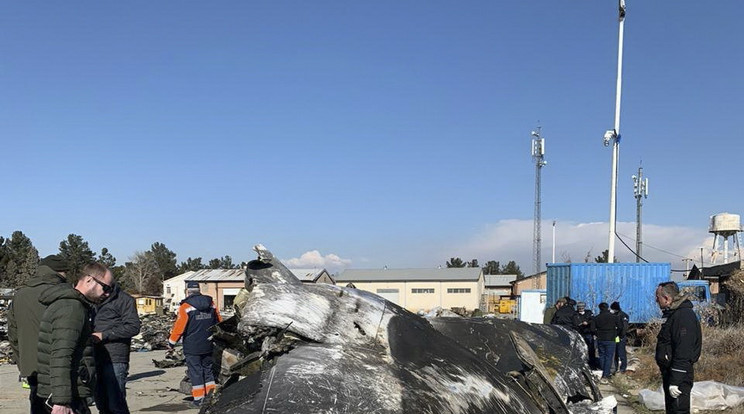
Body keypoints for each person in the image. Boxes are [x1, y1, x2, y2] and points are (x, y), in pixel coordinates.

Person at [35, 263, 115, 414]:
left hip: (68, 391)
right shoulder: (72, 308)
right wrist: (61, 402)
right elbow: (61, 355)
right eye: (106, 287)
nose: (107, 294)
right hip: (68, 396)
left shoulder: (71, 304)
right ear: (89, 280)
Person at [7, 255, 71, 414]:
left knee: (37, 405)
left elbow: (13, 336)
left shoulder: (19, 295)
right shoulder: (63, 293)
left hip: (32, 368)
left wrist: (24, 365)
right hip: (61, 368)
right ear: (60, 272)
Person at [168, 281, 222, 407]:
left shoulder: (186, 307)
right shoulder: (211, 304)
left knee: (195, 372)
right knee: (208, 371)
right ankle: (211, 397)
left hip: (192, 346)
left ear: (187, 291)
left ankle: (199, 400)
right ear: (199, 290)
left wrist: (171, 343)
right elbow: (219, 322)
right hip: (208, 343)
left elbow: (179, 328)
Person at [93, 281, 141, 414]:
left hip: (115, 358)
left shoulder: (124, 300)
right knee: (101, 401)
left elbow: (133, 327)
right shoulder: (93, 300)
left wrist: (104, 335)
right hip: (96, 356)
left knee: (116, 403)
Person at [655, 281, 702, 414]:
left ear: (667, 298)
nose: (656, 300)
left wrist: (675, 380)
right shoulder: (674, 315)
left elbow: (684, 350)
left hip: (679, 375)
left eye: (657, 297)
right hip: (672, 373)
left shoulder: (683, 316)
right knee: (672, 409)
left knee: (679, 409)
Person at [592, 302, 620, 383]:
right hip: (611, 339)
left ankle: (604, 371)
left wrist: (597, 334)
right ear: (608, 308)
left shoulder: (596, 318)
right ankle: (606, 374)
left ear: (600, 308)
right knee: (609, 357)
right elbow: (620, 327)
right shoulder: (614, 317)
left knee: (602, 356)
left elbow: (592, 329)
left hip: (601, 339)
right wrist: (616, 334)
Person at [574, 302, 597, 369]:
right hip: (580, 333)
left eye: (582, 308)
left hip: (588, 333)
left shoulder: (589, 313)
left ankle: (592, 365)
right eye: (579, 308)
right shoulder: (575, 314)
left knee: (591, 350)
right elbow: (575, 323)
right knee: (580, 349)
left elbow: (593, 320)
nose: (580, 309)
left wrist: (587, 322)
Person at [611, 301, 629, 374]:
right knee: (615, 353)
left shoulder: (623, 315)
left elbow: (624, 327)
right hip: (615, 336)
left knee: (621, 353)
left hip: (620, 337)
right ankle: (615, 368)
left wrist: (621, 336)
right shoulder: (614, 315)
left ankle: (623, 368)